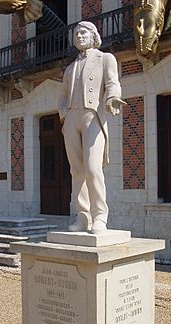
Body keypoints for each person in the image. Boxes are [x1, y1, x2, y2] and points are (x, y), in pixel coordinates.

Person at [58, 21, 125, 234]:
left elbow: (113, 82)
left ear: (93, 35)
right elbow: (62, 97)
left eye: (83, 32)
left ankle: (100, 217)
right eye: (76, 33)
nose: (79, 36)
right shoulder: (69, 69)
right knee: (76, 171)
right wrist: (64, 116)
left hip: (92, 116)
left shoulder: (105, 59)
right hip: (71, 120)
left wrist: (113, 97)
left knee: (93, 168)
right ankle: (82, 216)